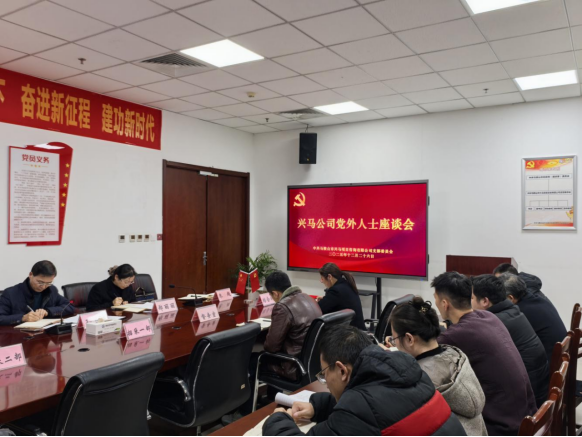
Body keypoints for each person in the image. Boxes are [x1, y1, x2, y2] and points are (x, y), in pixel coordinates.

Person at [262, 325, 466, 436]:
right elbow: (376, 410)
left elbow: (362, 411)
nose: (326, 381)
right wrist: (318, 407)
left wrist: (278, 420)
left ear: (342, 370)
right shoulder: (411, 373)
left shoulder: (358, 408)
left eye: (324, 373)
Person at [432, 271, 537, 436]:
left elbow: (426, 354)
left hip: (503, 427)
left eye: (435, 299)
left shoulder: (454, 336)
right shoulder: (487, 316)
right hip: (528, 413)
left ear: (445, 304)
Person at [389, 296, 487, 436]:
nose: (395, 344)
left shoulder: (419, 380)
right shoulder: (456, 356)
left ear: (409, 339)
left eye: (395, 339)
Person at [471, 274, 549, 407]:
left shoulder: (494, 323)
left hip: (528, 402)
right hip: (539, 390)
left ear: (485, 301)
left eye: (471, 298)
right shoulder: (513, 311)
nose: (469, 302)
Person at [263, 270, 323, 380]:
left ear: (275, 293)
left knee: (253, 360)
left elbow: (271, 347)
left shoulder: (282, 307)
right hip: (315, 364)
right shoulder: (307, 297)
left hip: (294, 367)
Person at [498, 272, 567, 365]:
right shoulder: (538, 299)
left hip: (548, 365)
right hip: (559, 359)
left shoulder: (520, 312)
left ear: (511, 298)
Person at [0, 261, 74, 325]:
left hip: (45, 333)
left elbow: (69, 306)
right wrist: (23, 318)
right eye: (40, 282)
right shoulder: (11, 293)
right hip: (19, 334)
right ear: (30, 275)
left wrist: (48, 311)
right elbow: (1, 318)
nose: (43, 287)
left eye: (48, 283)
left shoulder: (51, 290)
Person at [316, 263, 365, 330]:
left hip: (349, 333)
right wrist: (325, 299)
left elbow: (318, 310)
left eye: (322, 278)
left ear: (329, 277)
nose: (321, 281)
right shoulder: (346, 284)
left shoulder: (336, 290)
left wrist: (315, 302)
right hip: (358, 331)